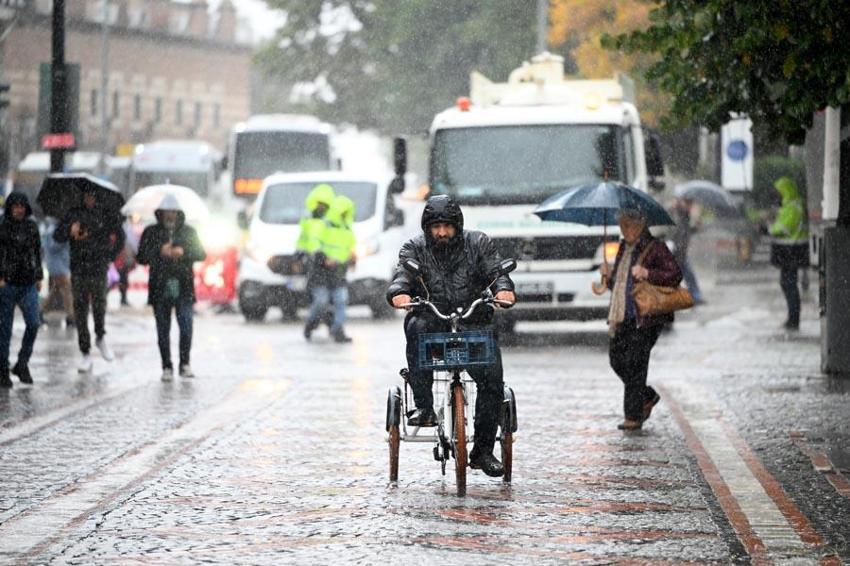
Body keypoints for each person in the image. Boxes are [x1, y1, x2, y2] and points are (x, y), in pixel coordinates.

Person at [387, 195, 516, 477]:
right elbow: (402, 276)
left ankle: (482, 451)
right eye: (436, 227)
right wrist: (400, 293)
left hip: (473, 321)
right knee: (416, 328)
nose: (442, 233)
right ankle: (424, 407)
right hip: (433, 320)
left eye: (447, 226)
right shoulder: (414, 248)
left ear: (457, 225)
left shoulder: (478, 243)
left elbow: (497, 273)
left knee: (492, 379)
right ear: (427, 227)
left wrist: (503, 290)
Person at [600, 208, 682, 431]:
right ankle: (646, 395)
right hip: (622, 315)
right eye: (622, 225)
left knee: (636, 363)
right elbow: (619, 284)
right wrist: (607, 277)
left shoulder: (655, 247)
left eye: (628, 225)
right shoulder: (623, 249)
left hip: (646, 317)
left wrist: (647, 273)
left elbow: (675, 274)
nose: (624, 230)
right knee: (617, 359)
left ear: (640, 225)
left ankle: (633, 416)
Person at [55, 186, 125, 372]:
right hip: (78, 268)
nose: (89, 199)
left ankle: (100, 336)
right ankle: (85, 352)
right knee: (80, 309)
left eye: (92, 196)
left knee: (100, 304)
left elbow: (120, 236)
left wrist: (109, 255)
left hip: (98, 267)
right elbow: (57, 236)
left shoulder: (105, 214)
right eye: (86, 196)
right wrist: (70, 230)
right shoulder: (73, 214)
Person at [136, 195, 206, 381]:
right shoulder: (151, 232)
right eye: (167, 211)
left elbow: (201, 253)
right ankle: (166, 366)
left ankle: (185, 363)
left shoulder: (188, 232)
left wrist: (183, 252)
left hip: (183, 285)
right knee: (162, 329)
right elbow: (141, 256)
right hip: (160, 286)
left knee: (186, 326)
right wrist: (160, 251)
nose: (170, 215)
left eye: (174, 212)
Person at [0, 193, 43, 387]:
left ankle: (22, 363)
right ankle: (2, 369)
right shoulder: (2, 226)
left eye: (22, 206)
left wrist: (39, 275)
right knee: (4, 330)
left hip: (28, 283)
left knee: (34, 323)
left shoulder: (32, 227)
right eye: (15, 206)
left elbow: (36, 251)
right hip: (6, 283)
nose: (19, 210)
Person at [303, 195, 356, 343]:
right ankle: (311, 323)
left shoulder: (347, 230)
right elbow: (313, 245)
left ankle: (337, 329)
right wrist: (323, 259)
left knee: (341, 299)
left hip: (338, 273)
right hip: (321, 273)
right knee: (321, 301)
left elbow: (349, 249)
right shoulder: (323, 225)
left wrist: (352, 260)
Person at [769, 176, 809, 330]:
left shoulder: (793, 207)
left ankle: (793, 320)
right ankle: (792, 318)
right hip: (790, 252)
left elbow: (784, 228)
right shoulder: (789, 206)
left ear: (785, 191)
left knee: (789, 284)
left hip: (792, 252)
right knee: (787, 284)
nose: (776, 195)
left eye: (779, 192)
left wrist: (769, 229)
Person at [296, 183, 335, 326]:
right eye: (319, 203)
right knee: (321, 300)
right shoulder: (308, 220)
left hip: (331, 266)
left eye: (324, 204)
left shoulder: (332, 222)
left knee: (331, 300)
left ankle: (324, 323)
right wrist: (299, 256)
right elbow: (303, 240)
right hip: (316, 266)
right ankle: (313, 323)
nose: (321, 207)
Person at [41, 215, 75, 327]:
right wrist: (65, 239)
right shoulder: (52, 229)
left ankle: (39, 312)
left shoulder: (57, 228)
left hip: (61, 264)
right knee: (67, 291)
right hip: (56, 265)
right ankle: (71, 316)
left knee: (55, 292)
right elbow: (52, 246)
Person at [669, 197, 703, 304]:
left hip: (679, 252)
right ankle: (693, 296)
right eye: (690, 204)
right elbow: (678, 233)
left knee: (687, 275)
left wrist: (695, 228)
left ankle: (694, 296)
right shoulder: (679, 215)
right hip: (677, 252)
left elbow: (685, 231)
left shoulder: (684, 216)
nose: (692, 207)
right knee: (682, 275)